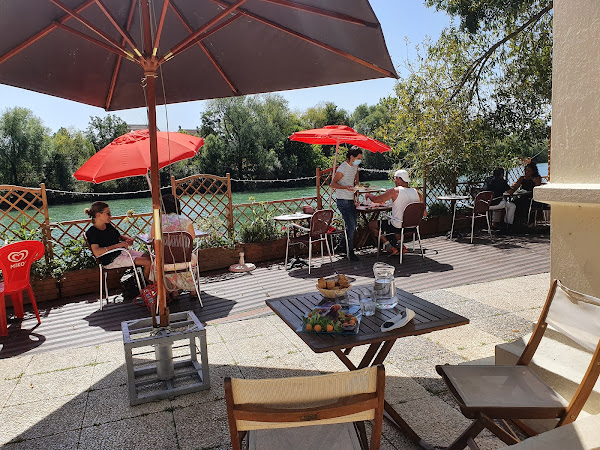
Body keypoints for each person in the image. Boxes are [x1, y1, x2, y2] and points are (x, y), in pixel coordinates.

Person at [85, 201, 151, 281]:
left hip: (121, 252)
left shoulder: (108, 226)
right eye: (108, 214)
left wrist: (126, 239)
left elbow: (118, 237)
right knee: (148, 262)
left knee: (150, 258)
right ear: (98, 215)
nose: (111, 216)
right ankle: (149, 287)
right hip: (111, 260)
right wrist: (118, 246)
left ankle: (148, 284)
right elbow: (97, 252)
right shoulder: (92, 232)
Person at [366, 169, 423, 255]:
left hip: (398, 226)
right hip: (413, 226)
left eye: (395, 179)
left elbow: (376, 200)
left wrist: (368, 195)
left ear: (399, 179)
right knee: (396, 220)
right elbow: (424, 213)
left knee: (371, 224)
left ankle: (390, 247)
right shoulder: (417, 193)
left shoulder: (395, 191)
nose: (394, 181)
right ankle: (401, 246)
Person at [151, 194, 198, 298]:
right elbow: (192, 237)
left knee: (167, 258)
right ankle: (193, 290)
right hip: (185, 260)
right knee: (188, 257)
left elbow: (152, 238)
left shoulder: (157, 221)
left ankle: (174, 292)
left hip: (165, 261)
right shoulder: (185, 220)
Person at [330, 146, 363, 261]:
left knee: (352, 225)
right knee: (351, 226)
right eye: (358, 158)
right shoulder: (343, 168)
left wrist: (356, 188)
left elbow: (355, 177)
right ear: (352, 157)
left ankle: (341, 246)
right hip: (342, 200)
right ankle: (350, 252)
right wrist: (345, 187)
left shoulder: (355, 166)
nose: (360, 161)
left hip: (350, 199)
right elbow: (332, 184)